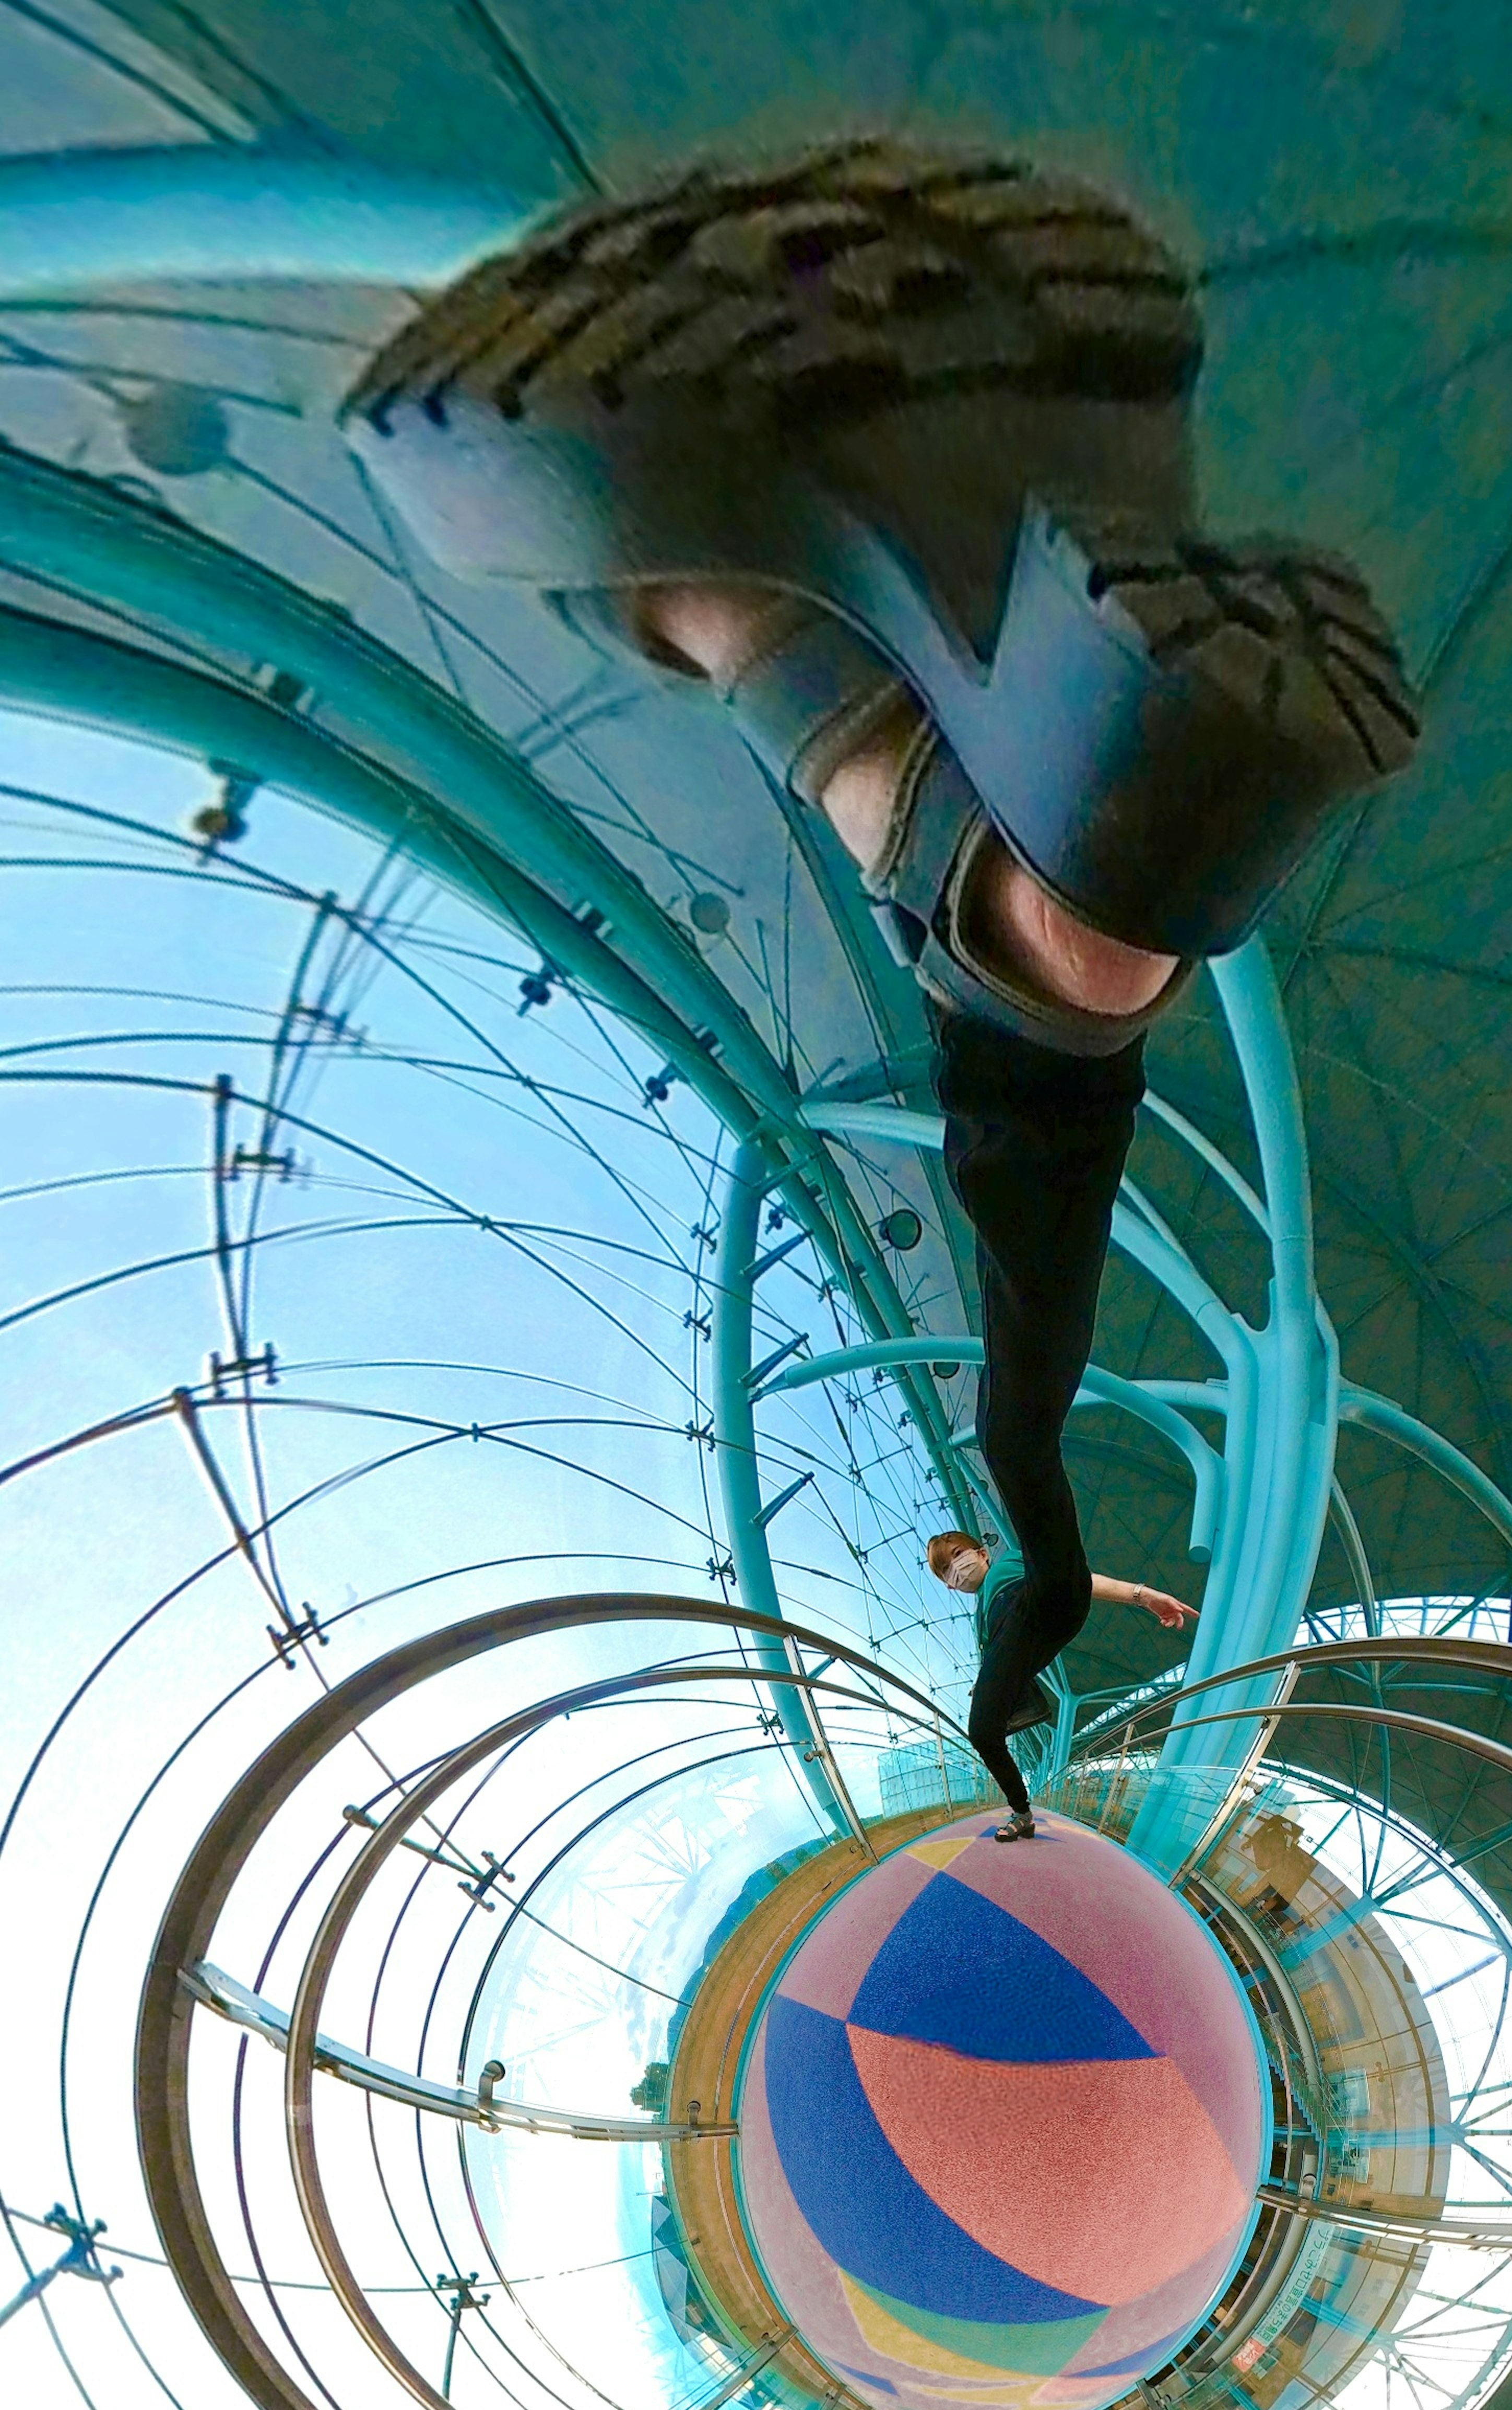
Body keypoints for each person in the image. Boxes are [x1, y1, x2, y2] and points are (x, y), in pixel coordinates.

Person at [341, 137, 1417, 1851]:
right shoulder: (990, 1559)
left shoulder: (988, 1562)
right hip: (1026, 1586)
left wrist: (1074, 1609)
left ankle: (1032, 891)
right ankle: (992, 870)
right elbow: (1034, 1560)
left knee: (1030, 1401)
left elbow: (1039, 1566)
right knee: (1026, 1386)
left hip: (1029, 1585)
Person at [925, 1529, 1195, 1834]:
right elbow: (1002, 1659)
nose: (957, 1569)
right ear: (950, 1585)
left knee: (1048, 1554)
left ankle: (1032, 1496)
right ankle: (1022, 1812)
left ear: (983, 1554)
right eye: (947, 1569)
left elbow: (1077, 1580)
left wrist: (1141, 1595)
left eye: (959, 1555)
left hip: (1029, 1601)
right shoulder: (981, 1622)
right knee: (982, 1733)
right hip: (1026, 1633)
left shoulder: (1009, 1564)